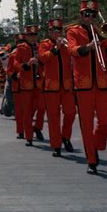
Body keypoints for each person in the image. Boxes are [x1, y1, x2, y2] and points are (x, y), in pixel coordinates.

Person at [66, 0, 107, 174]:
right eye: (86, 14)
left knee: (106, 119)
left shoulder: (101, 31)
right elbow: (73, 50)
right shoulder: (73, 31)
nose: (90, 17)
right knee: (86, 123)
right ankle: (91, 160)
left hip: (102, 83)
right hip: (84, 84)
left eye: (93, 14)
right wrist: (88, 47)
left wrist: (103, 35)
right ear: (81, 15)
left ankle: (96, 145)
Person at [38, 19, 75, 157]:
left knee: (70, 113)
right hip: (51, 87)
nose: (56, 33)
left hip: (66, 86)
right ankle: (56, 145)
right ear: (49, 32)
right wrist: (55, 49)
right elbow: (43, 58)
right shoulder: (44, 44)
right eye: (54, 31)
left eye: (59, 31)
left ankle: (65, 136)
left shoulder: (67, 45)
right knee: (53, 117)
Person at [13, 25, 44, 146]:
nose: (33, 37)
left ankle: (35, 127)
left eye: (35, 35)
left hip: (39, 83)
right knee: (26, 111)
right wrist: (26, 64)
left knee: (39, 108)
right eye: (30, 35)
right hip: (26, 85)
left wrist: (40, 62)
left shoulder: (40, 46)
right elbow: (16, 64)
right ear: (26, 36)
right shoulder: (21, 48)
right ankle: (29, 137)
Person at [6, 33, 25, 139]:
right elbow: (8, 70)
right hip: (17, 85)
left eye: (22, 42)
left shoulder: (29, 52)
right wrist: (14, 75)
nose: (20, 44)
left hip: (29, 85)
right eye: (19, 42)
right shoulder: (12, 55)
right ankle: (21, 130)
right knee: (19, 110)